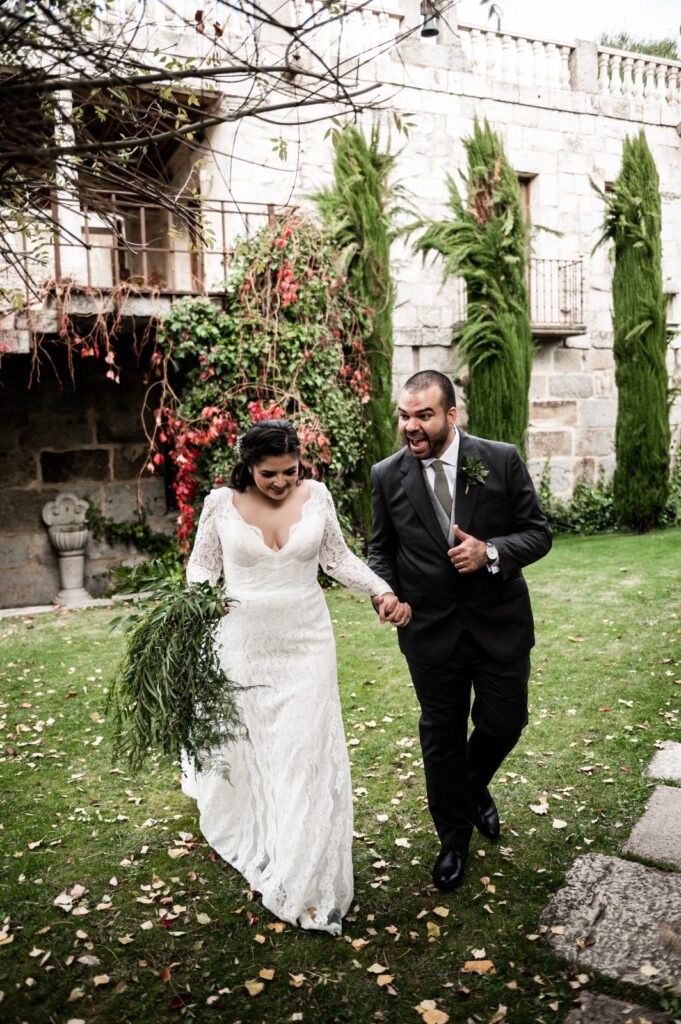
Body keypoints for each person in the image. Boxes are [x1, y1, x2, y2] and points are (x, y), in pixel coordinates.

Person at [182, 419, 408, 935]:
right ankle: (265, 835)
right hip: (242, 645)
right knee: (259, 749)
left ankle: (306, 877)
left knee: (304, 753)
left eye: (289, 471)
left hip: (307, 643)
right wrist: (197, 602)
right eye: (268, 475)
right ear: (248, 467)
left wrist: (380, 589)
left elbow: (337, 558)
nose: (281, 483)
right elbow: (201, 566)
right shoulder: (220, 503)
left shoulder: (318, 496)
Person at [369, 369, 552, 891]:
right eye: (405, 415)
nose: (411, 426)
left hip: (499, 622)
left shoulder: (499, 459)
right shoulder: (387, 475)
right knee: (441, 737)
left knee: (504, 722)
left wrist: (490, 551)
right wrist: (383, 592)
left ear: (452, 415)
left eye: (424, 415)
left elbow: (538, 534)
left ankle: (471, 789)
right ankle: (453, 840)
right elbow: (381, 549)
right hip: (429, 631)